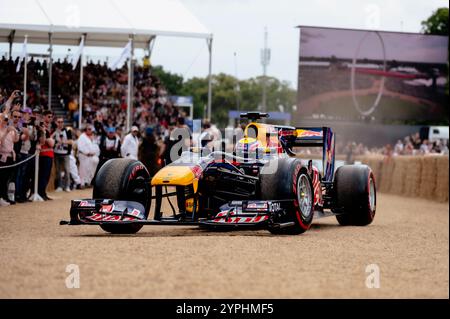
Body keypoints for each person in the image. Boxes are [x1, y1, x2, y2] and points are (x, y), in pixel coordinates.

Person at [0, 112, 19, 206]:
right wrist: (7, 131)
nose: (6, 122)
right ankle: (2, 197)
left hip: (11, 157)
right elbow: (1, 142)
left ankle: (5, 196)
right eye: (4, 119)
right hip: (3, 157)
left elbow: (16, 140)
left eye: (7, 120)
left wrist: (15, 131)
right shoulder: (1, 130)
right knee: (2, 179)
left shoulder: (9, 130)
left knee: (7, 178)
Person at [38, 110, 55, 201]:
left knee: (46, 175)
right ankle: (41, 193)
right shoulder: (43, 127)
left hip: (49, 154)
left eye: (51, 117)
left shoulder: (48, 127)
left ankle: (43, 192)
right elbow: (51, 143)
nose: (50, 118)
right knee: (43, 175)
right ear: (44, 116)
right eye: (48, 116)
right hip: (44, 154)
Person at [52, 116, 73, 192]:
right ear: (56, 123)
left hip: (65, 153)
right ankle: (60, 186)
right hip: (57, 153)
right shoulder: (54, 130)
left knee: (67, 170)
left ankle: (67, 186)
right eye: (58, 122)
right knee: (58, 171)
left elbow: (71, 141)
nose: (60, 123)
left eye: (61, 122)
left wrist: (63, 142)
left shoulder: (67, 130)